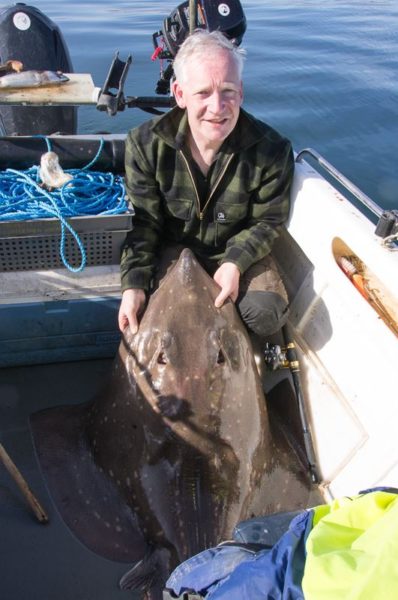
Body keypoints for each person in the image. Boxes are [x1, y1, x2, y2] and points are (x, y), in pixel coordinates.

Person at [118, 29, 294, 340]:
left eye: (228, 90)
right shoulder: (144, 144)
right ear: (179, 94)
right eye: (203, 93)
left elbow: (268, 222)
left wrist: (235, 263)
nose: (217, 106)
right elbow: (144, 224)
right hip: (173, 250)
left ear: (240, 92)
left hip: (234, 248)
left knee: (267, 313)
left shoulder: (272, 149)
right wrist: (133, 284)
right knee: (144, 318)